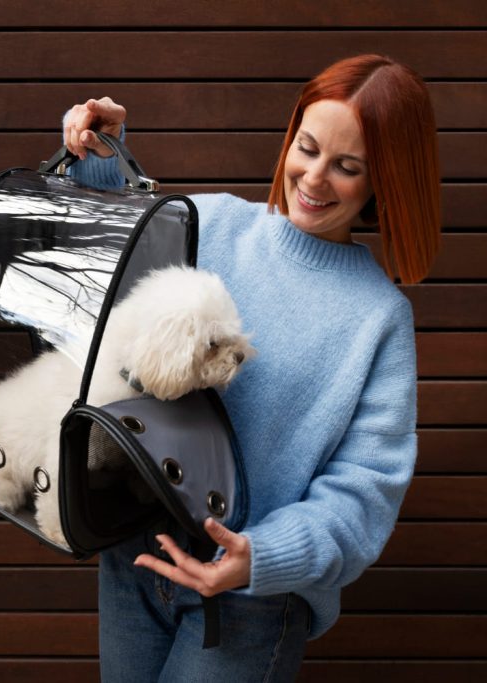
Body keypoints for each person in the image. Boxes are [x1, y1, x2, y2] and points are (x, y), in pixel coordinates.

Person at [61, 53, 441, 681]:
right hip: (136, 557)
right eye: (307, 148)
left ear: (385, 182)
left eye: (347, 167)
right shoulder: (211, 223)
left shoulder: (379, 319)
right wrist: (101, 156)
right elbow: (111, 252)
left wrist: (262, 556)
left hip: (250, 600)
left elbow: (366, 490)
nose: (314, 178)